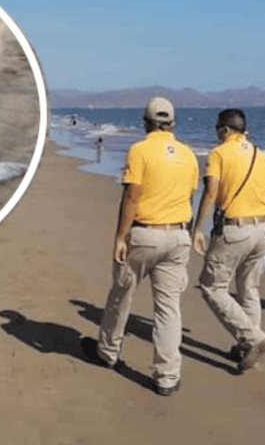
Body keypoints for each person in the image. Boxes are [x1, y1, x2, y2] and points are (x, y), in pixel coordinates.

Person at [81, 96, 199, 396]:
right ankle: (167, 376)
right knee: (168, 309)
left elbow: (132, 197)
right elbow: (189, 197)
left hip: (145, 235)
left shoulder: (140, 150)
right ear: (173, 123)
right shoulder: (189, 155)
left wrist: (120, 236)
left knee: (121, 295)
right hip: (178, 235)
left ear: (145, 122)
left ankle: (107, 352)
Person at [191, 108, 265, 372]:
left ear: (225, 130)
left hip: (235, 229)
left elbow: (211, 193)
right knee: (249, 289)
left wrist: (197, 229)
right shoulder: (261, 156)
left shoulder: (218, 154)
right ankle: (246, 348)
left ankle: (253, 338)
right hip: (262, 228)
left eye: (217, 129)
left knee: (212, 286)